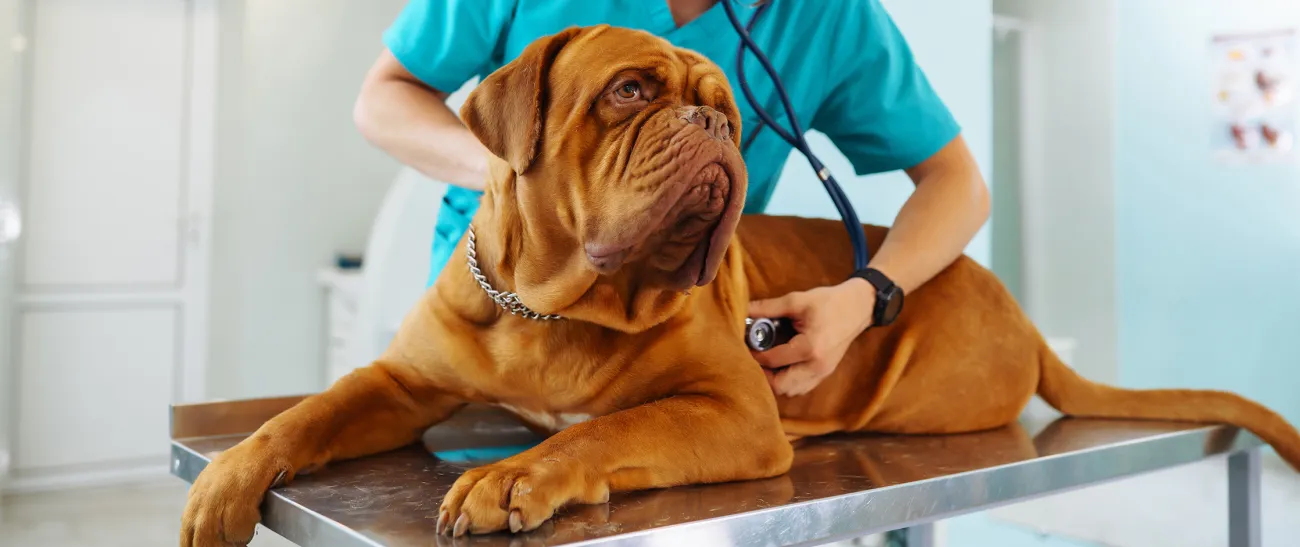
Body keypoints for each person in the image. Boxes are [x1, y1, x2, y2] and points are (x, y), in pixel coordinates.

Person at [353, 0, 990, 397]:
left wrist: (864, 297)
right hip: (492, 326)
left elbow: (957, 185)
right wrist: (516, 175)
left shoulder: (832, 16)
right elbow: (385, 97)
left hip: (662, 348)